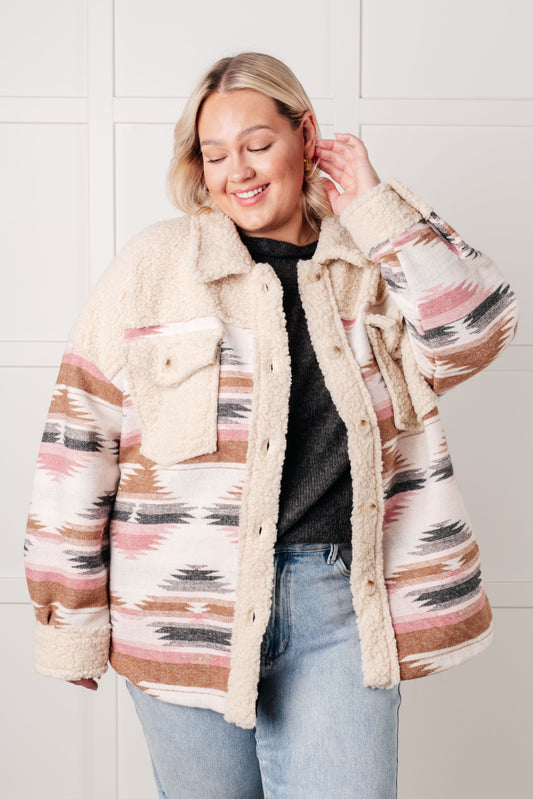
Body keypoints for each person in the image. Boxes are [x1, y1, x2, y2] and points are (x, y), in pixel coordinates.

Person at [24, 52, 519, 799]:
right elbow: (77, 445)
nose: (237, 172)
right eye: (214, 154)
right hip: (180, 609)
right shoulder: (153, 266)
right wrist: (71, 623)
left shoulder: (369, 260)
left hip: (342, 609)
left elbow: (476, 331)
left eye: (257, 144)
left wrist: (377, 204)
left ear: (305, 134)